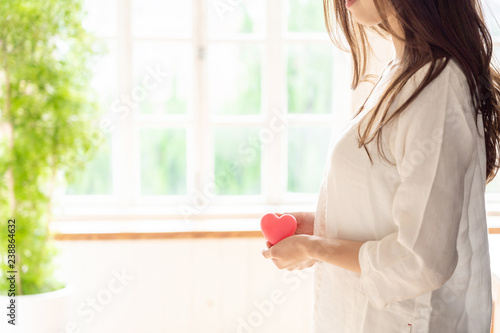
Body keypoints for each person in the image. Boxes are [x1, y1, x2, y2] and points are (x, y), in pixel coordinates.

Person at [262, 0, 500, 331]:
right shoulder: (401, 73)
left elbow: (423, 260)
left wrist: (314, 247)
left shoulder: (439, 86)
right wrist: (324, 226)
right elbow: (398, 211)